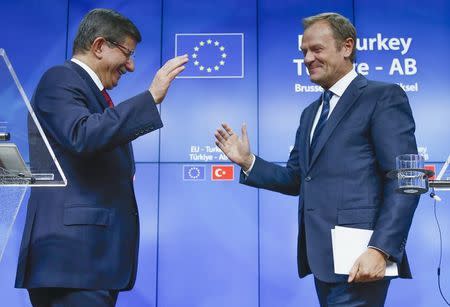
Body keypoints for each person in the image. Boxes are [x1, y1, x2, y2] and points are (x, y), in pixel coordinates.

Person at [215, 12, 419, 306]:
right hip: (321, 260)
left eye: (317, 49)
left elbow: (405, 180)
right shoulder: (310, 113)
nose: (308, 58)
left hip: (362, 258)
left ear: (347, 47)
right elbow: (298, 177)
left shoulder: (383, 97)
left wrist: (381, 249)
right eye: (304, 52)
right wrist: (249, 162)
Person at [15, 8, 188, 306]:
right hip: (71, 263)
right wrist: (150, 99)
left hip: (89, 266)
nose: (131, 66)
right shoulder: (61, 78)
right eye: (127, 53)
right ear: (98, 46)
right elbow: (82, 135)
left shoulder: (88, 91)